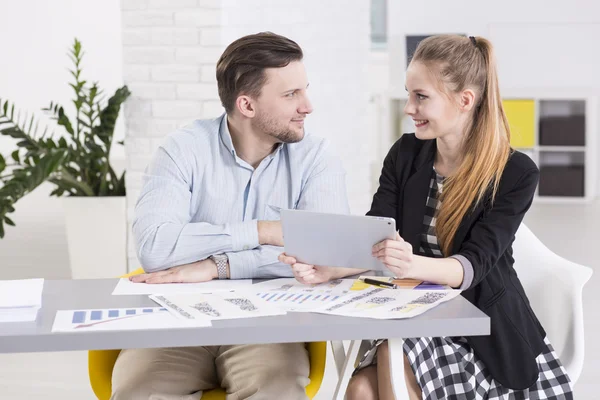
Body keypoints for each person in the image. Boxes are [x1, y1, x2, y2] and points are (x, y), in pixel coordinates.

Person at [279, 34, 573, 399]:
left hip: (482, 331)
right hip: (414, 315)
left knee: (381, 366)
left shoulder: (515, 172)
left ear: (465, 100)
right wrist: (331, 268)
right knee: (359, 390)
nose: (408, 108)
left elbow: (471, 266)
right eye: (409, 94)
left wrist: (408, 264)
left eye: (421, 97)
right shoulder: (405, 155)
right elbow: (375, 236)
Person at [111, 32, 353, 400]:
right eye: (291, 95)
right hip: (177, 321)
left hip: (268, 327)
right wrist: (263, 231)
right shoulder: (183, 149)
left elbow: (327, 249)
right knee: (137, 393)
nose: (308, 106)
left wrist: (218, 265)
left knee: (277, 390)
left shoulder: (316, 157)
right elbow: (156, 249)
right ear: (247, 105)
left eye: (305, 90)